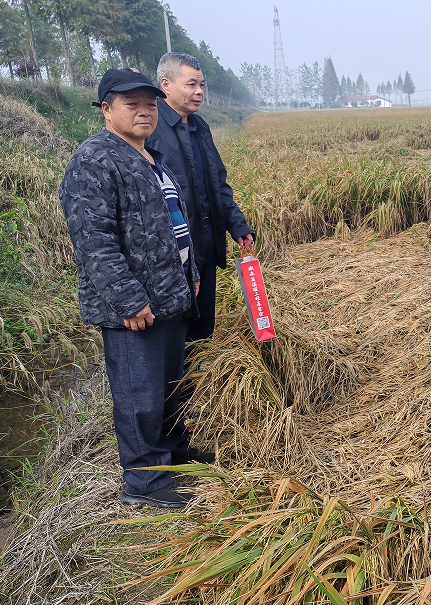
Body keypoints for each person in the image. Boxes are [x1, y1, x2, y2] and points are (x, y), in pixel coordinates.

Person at [59, 69, 201, 508]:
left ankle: (173, 456)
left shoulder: (149, 156)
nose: (145, 111)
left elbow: (172, 224)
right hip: (134, 307)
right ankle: (144, 481)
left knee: (170, 386)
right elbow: (93, 240)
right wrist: (128, 298)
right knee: (139, 394)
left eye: (150, 103)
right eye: (131, 104)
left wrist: (190, 274)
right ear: (106, 109)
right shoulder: (95, 159)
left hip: (168, 298)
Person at [146, 53, 255, 421]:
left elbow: (216, 184)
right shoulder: (150, 130)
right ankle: (170, 413)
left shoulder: (199, 127)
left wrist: (237, 225)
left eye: (202, 85)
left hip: (205, 246)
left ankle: (190, 406)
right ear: (166, 85)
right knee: (173, 335)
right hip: (173, 255)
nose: (199, 92)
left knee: (201, 330)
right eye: (191, 84)